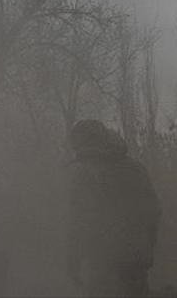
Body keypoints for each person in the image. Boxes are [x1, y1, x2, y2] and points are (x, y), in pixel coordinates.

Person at [66, 119, 161, 298]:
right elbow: (153, 214)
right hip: (137, 260)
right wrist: (147, 249)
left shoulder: (84, 173)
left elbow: (80, 223)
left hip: (104, 263)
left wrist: (73, 263)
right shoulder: (137, 169)